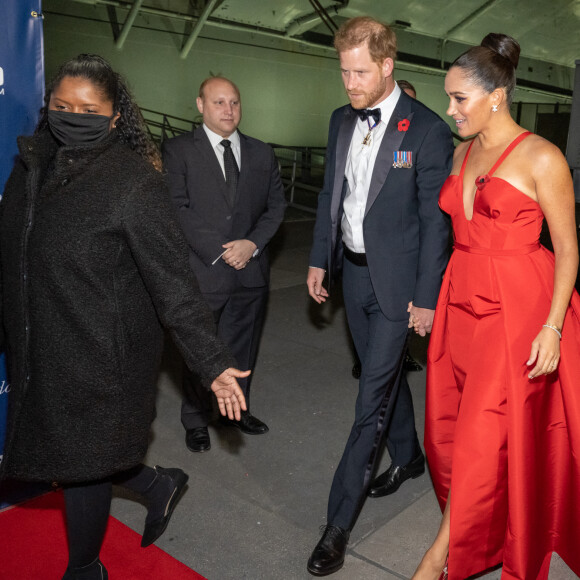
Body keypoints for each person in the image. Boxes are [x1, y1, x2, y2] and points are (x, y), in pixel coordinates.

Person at [0, 54, 249, 580]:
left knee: (82, 464)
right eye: (61, 105)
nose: (73, 115)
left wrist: (213, 362)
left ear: (115, 118)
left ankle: (85, 569)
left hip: (102, 354)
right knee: (69, 455)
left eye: (88, 109)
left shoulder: (134, 183)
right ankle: (156, 484)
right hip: (43, 339)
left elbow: (173, 285)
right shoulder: (29, 167)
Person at [413, 33, 580, 580]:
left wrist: (552, 326)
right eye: (449, 97)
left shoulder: (542, 156)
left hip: (516, 311)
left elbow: (568, 250)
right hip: (459, 302)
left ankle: (438, 557)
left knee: (483, 440)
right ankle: (475, 536)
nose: (450, 108)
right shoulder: (462, 151)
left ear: (496, 96)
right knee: (446, 434)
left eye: (459, 98)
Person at [306, 17, 453, 576]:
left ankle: (337, 524)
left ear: (388, 66)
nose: (349, 82)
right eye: (343, 70)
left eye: (360, 71)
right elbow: (330, 194)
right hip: (354, 275)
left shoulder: (426, 132)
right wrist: (321, 256)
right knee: (379, 372)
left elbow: (433, 225)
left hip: (400, 286)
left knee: (368, 402)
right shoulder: (341, 120)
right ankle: (410, 458)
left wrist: (425, 297)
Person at [162, 77, 286, 453]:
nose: (228, 110)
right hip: (205, 270)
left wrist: (252, 244)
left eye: (234, 102)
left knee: (242, 346)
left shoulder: (261, 153)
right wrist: (219, 250)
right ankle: (197, 418)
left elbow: (276, 207)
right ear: (200, 105)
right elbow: (175, 206)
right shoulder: (178, 150)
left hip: (250, 271)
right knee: (201, 348)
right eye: (219, 102)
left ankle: (237, 412)